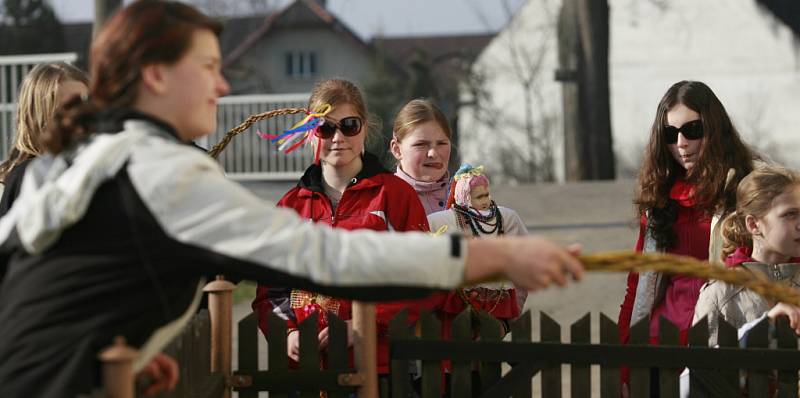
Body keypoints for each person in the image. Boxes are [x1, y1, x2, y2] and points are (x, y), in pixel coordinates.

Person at [0, 1, 583, 396]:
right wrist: (497, 259)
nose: (222, 83)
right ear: (155, 76)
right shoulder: (163, 173)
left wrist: (113, 338)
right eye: (206, 66)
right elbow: (329, 258)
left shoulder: (84, 163)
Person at [251, 79, 435, 383]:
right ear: (310, 134)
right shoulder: (290, 207)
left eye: (349, 125)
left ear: (364, 128)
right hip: (307, 375)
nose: (338, 137)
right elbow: (271, 293)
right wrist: (288, 335)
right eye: (325, 127)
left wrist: (363, 326)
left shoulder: (395, 196)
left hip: (379, 370)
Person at [616, 80, 757, 393]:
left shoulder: (748, 190)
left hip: (726, 336)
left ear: (714, 128)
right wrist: (625, 368)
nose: (681, 143)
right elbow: (637, 287)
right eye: (670, 134)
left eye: (693, 130)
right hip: (662, 341)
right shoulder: (659, 199)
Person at [685, 165, 800, 396]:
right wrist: (762, 332)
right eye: (790, 214)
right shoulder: (721, 294)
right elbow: (700, 379)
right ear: (753, 224)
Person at [0, 62, 89, 215]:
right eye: (68, 108)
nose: (79, 117)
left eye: (85, 105)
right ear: (37, 117)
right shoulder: (27, 177)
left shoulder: (99, 164)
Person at [390, 99, 452, 215]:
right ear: (397, 149)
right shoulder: (383, 201)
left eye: (441, 143)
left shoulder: (467, 196)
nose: (433, 153)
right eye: (421, 144)